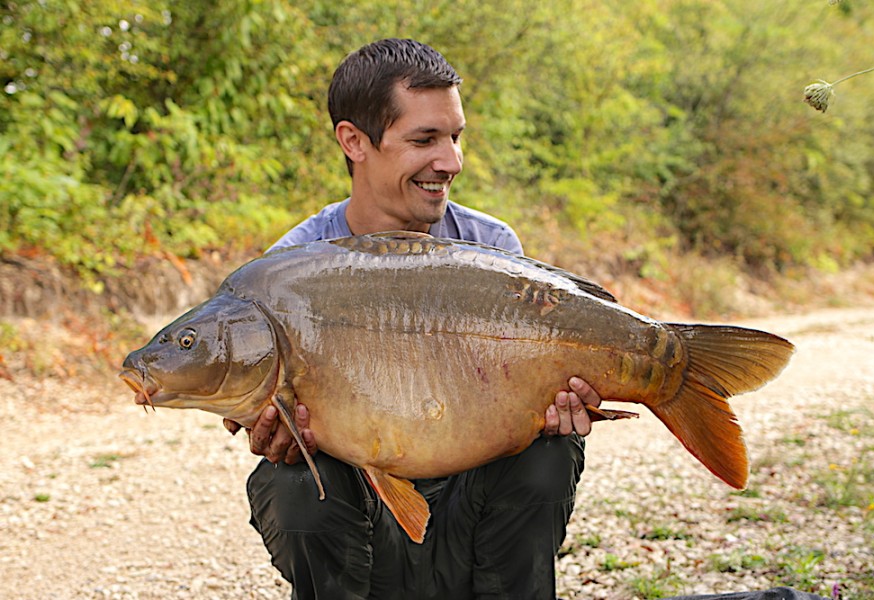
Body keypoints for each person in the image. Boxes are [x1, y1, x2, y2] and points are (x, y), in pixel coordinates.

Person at [226, 38, 826, 600]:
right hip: (367, 529)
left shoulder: (491, 245)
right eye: (425, 139)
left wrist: (550, 408)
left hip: (476, 515)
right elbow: (251, 397)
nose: (451, 161)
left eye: (456, 137)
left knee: (551, 449)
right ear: (355, 141)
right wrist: (275, 434)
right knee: (290, 479)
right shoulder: (290, 271)